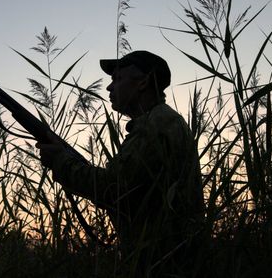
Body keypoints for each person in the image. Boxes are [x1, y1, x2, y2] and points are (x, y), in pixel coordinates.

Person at [36, 50, 206, 277]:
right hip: (172, 259)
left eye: (117, 79)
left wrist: (61, 162)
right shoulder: (162, 120)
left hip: (163, 263)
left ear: (143, 82)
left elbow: (114, 188)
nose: (109, 87)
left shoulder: (154, 125)